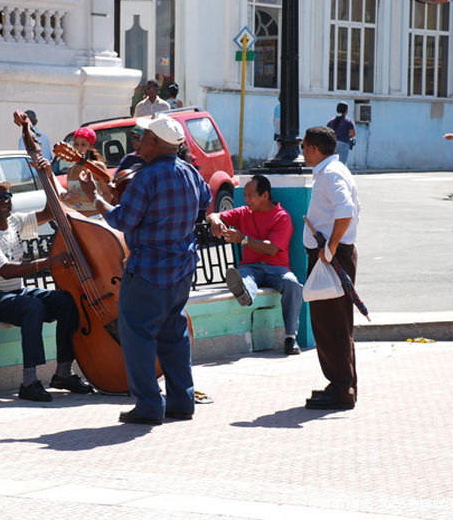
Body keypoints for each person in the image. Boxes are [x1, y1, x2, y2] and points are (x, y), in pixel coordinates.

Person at [79, 115, 211, 425]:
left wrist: (95, 198)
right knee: (174, 335)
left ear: (154, 143)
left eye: (144, 137)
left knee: (137, 336)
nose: (139, 142)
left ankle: (149, 405)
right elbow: (205, 200)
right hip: (182, 269)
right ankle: (182, 401)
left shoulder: (146, 178)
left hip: (148, 270)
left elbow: (122, 221)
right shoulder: (190, 172)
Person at [0, 176, 93, 402]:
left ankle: (63, 373)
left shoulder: (15, 221)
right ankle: (29, 382)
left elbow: (50, 211)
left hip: (17, 294)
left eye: (6, 196)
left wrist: (45, 172)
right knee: (32, 307)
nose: (4, 201)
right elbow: (5, 271)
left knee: (66, 300)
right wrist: (49, 262)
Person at [206, 174, 303, 356]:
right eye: (246, 194)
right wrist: (217, 221)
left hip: (277, 268)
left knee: (292, 285)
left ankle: (291, 337)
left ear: (265, 195)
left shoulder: (281, 217)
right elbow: (213, 214)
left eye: (251, 195)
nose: (246, 199)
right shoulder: (243, 212)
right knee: (244, 277)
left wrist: (243, 240)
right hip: (250, 266)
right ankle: (245, 294)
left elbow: (272, 249)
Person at [300, 126, 361, 411]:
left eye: (303, 146)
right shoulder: (331, 171)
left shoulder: (331, 174)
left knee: (331, 323)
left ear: (313, 148)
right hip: (330, 255)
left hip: (331, 257)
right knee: (334, 322)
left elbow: (345, 210)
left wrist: (330, 248)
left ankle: (341, 389)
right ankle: (342, 384)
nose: (301, 151)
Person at [61, 127, 112, 217]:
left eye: (83, 145)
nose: (79, 148)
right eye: (76, 144)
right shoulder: (71, 170)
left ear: (90, 147)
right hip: (78, 220)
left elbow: (108, 197)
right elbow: (73, 203)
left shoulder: (97, 167)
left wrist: (82, 198)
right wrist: (66, 198)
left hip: (97, 218)